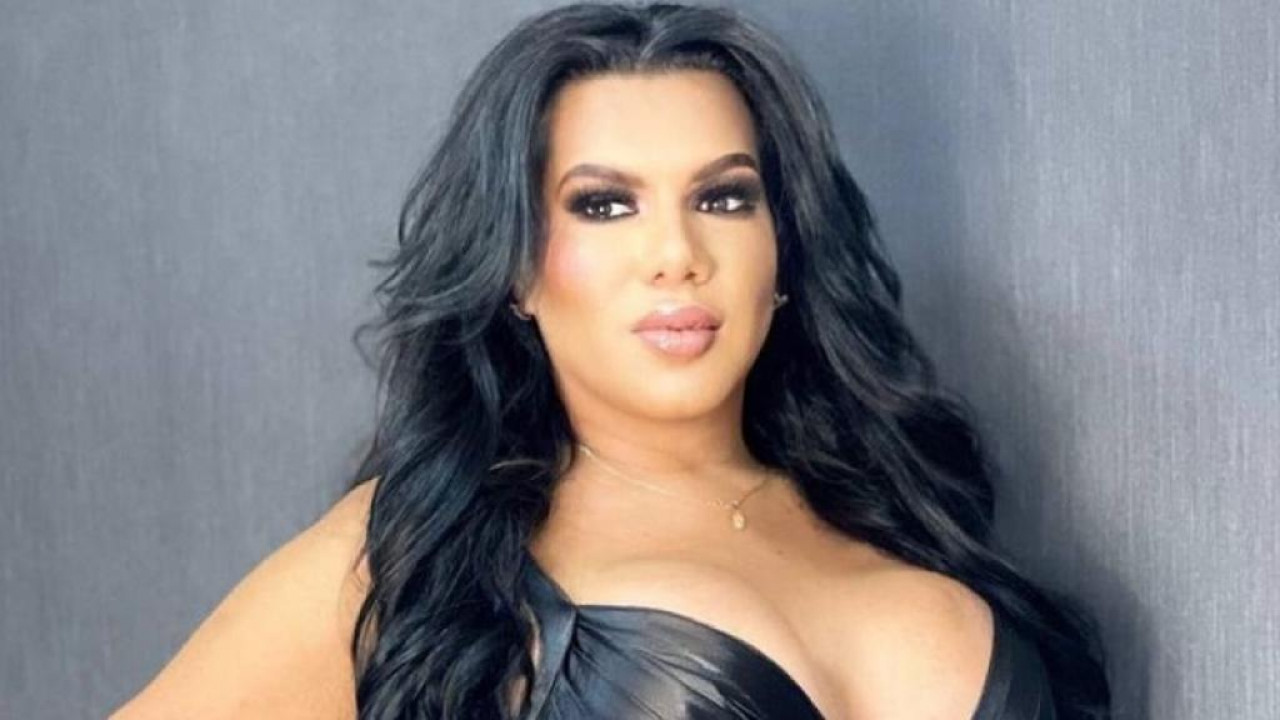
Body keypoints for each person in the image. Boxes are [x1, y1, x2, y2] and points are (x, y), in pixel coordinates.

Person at [111, 2, 1112, 718]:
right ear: (515, 270)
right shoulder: (422, 552)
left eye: (723, 197)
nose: (676, 253)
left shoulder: (902, 510)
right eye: (603, 204)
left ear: (783, 251)